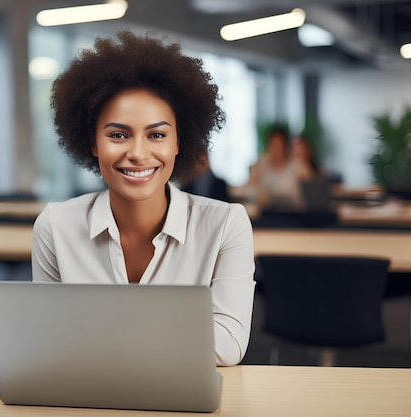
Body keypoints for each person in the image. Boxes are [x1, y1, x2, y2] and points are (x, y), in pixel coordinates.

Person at [31, 31, 256, 366]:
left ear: (179, 142)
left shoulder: (225, 225)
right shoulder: (55, 225)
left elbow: (226, 345)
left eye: (157, 135)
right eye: (118, 135)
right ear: (92, 143)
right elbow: (47, 341)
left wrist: (90, 332)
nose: (138, 153)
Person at [247, 125, 304, 210]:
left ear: (285, 146)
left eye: (279, 144)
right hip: (266, 212)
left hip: (292, 213)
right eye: (273, 144)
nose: (276, 148)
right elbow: (250, 188)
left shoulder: (296, 165)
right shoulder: (262, 163)